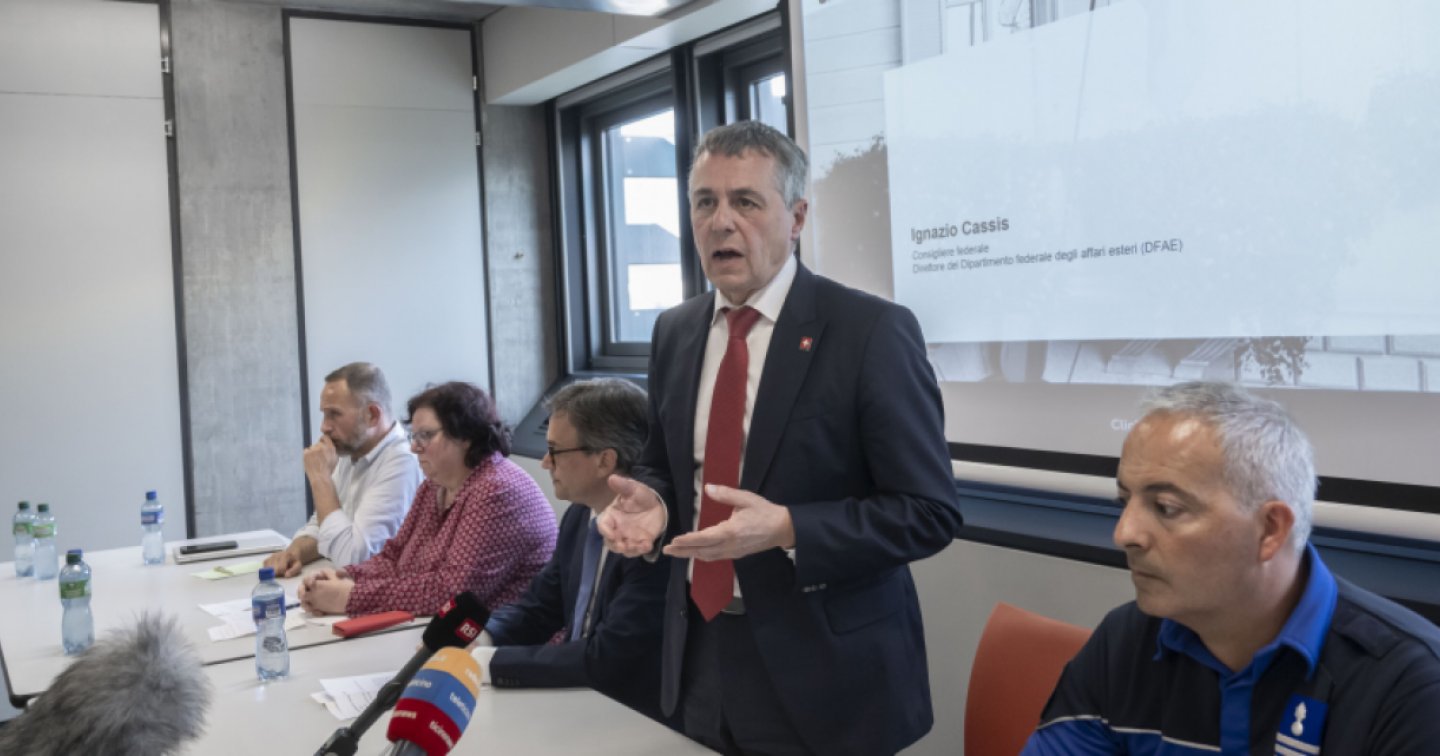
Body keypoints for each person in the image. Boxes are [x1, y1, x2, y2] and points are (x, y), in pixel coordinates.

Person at [600, 120, 963, 755]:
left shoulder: (870, 331)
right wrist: (653, 503)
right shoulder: (675, 332)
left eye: (745, 201)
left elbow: (928, 513)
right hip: (699, 652)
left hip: (828, 677)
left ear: (796, 217)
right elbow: (665, 465)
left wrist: (789, 528)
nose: (720, 222)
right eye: (705, 202)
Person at [1023, 381, 1440, 754]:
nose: (1124, 533)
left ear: (1270, 529)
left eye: (1166, 507)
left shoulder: (1410, 684)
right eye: (1124, 502)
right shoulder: (1126, 641)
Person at [470, 378, 672, 724]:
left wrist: (486, 663)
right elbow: (540, 608)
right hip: (576, 695)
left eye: (555, 450)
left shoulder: (647, 536)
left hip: (631, 714)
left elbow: (610, 657)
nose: (545, 463)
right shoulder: (580, 515)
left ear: (605, 460)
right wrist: (480, 637)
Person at [299, 381, 556, 617]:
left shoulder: (496, 490)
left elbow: (451, 593)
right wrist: (345, 577)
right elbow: (394, 557)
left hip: (505, 641)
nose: (414, 447)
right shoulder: (434, 485)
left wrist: (350, 597)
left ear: (465, 436)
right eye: (414, 436)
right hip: (449, 631)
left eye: (426, 435)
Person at [265, 362, 421, 576]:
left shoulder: (402, 462)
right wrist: (293, 553)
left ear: (372, 415)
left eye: (334, 414)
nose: (324, 426)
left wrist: (320, 479)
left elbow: (354, 561)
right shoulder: (352, 450)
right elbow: (323, 525)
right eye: (324, 414)